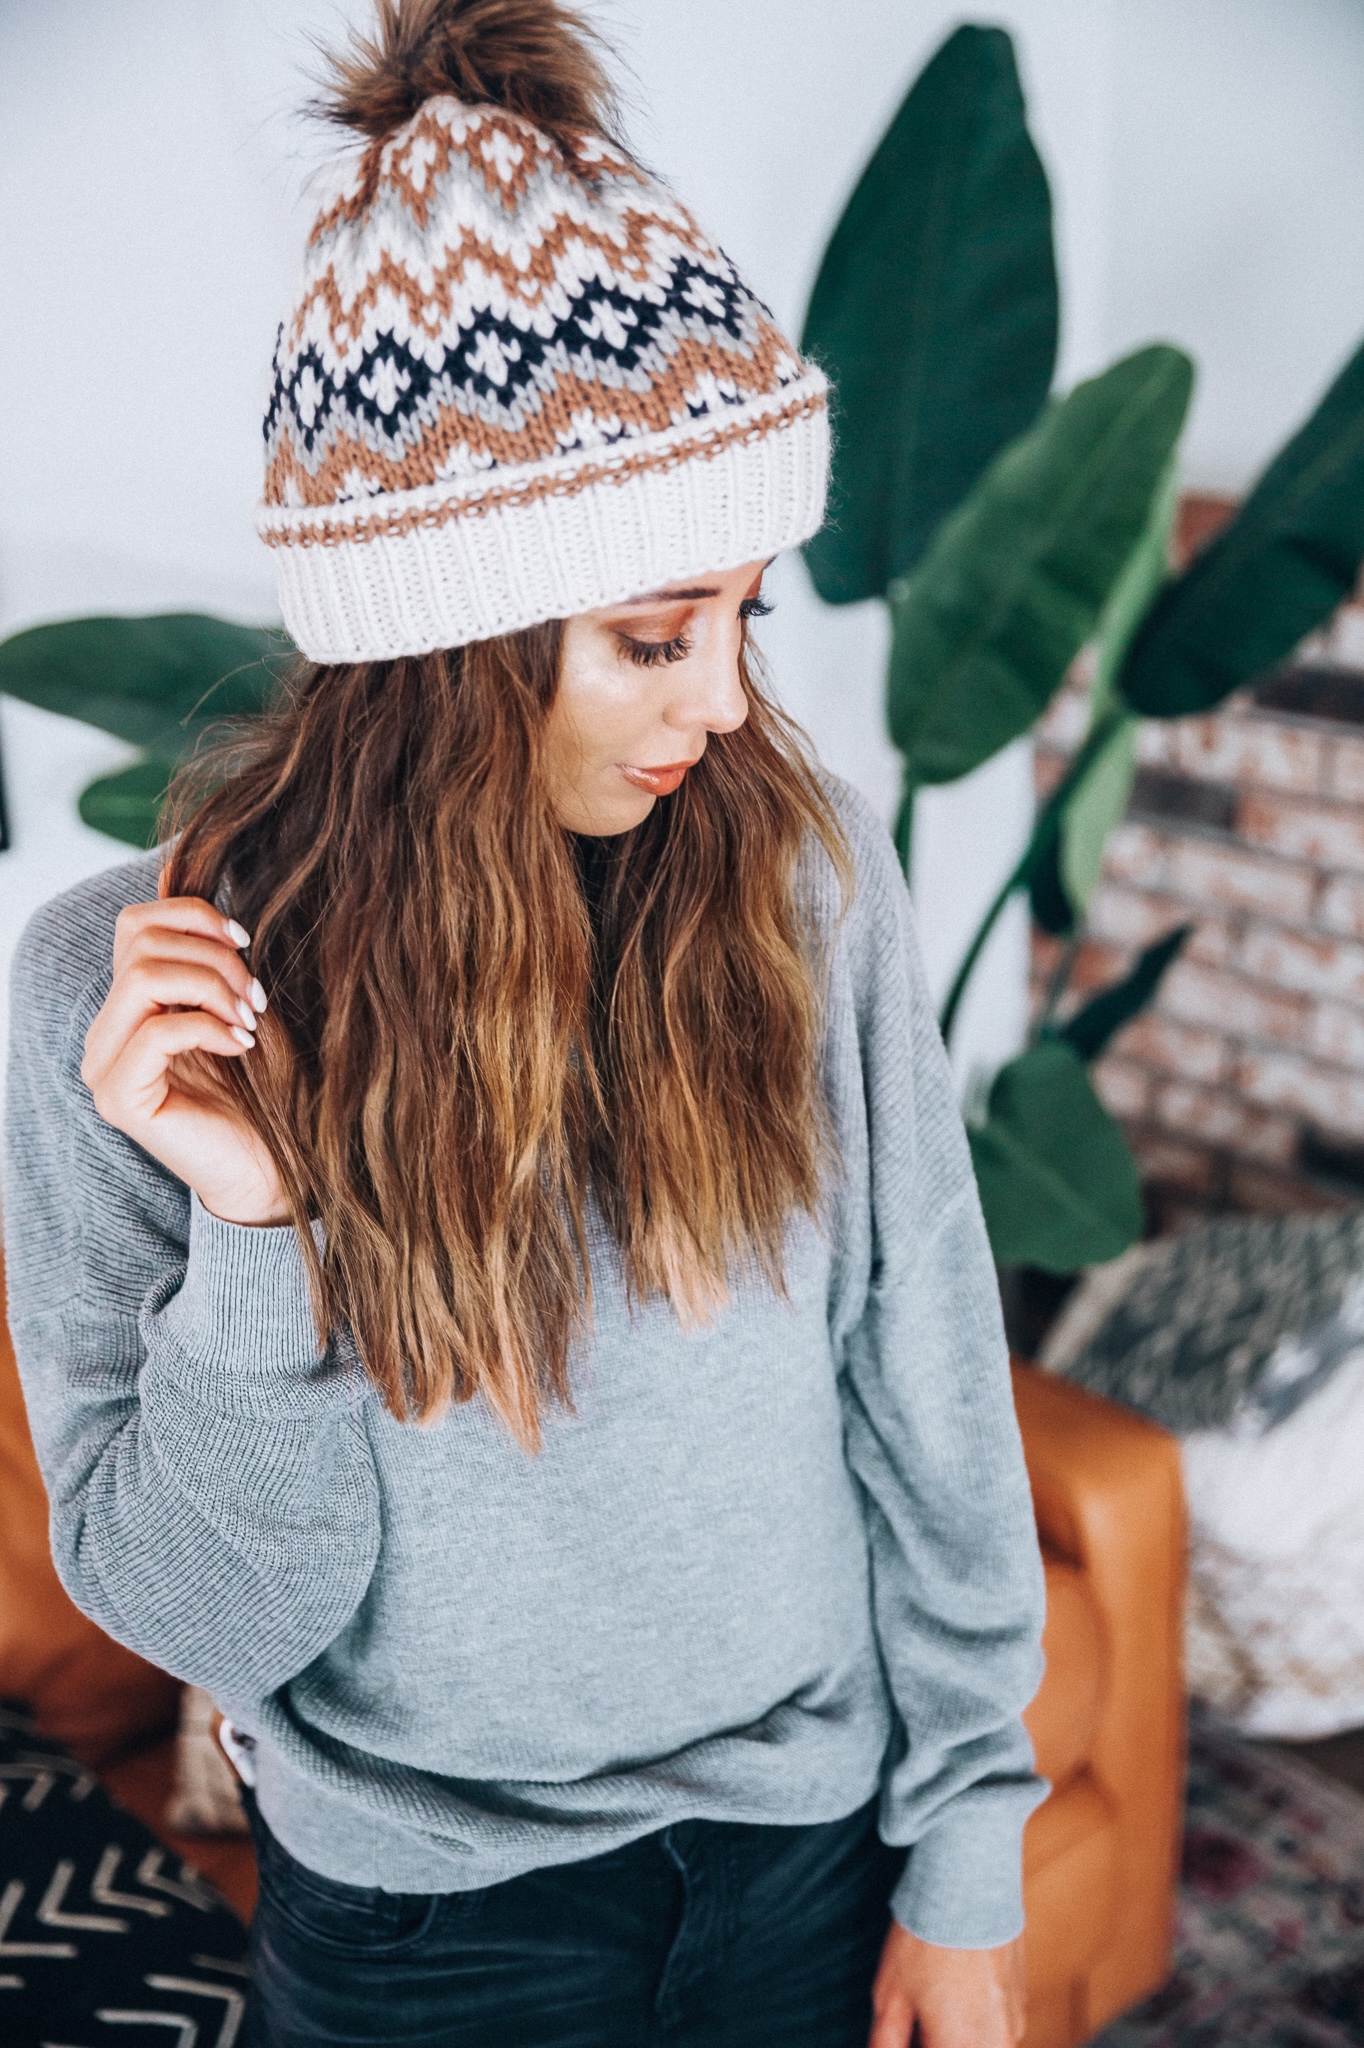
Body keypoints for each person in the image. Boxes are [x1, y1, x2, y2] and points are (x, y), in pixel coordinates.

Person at [5, 3, 1047, 2043]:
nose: (727, 703)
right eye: (655, 634)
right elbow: (207, 1616)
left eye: (744, 613)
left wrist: (969, 1857)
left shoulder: (798, 873)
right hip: (422, 1940)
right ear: (441, 646)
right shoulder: (124, 1003)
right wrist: (255, 1225)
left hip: (805, 1865)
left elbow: (920, 1377)